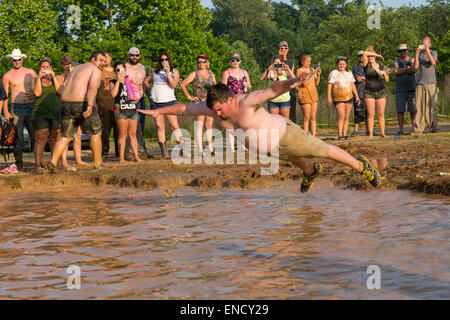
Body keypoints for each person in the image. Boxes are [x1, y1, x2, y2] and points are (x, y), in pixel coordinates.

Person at [138, 79, 381, 194]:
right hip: (271, 150)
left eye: (221, 109)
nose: (218, 114)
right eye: (215, 111)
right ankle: (311, 172)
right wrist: (159, 110)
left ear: (231, 100)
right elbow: (183, 108)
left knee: (325, 151)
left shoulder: (247, 101)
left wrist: (294, 82)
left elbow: (272, 90)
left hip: (286, 136)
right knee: (299, 162)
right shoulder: (212, 107)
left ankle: (362, 167)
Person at [46, 51, 106, 173]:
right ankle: (98, 163)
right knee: (96, 132)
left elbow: (65, 86)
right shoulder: (94, 70)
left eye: (104, 61)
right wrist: (89, 106)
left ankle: (52, 162)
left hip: (66, 104)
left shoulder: (76, 68)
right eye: (101, 60)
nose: (103, 64)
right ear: (93, 60)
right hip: (81, 103)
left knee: (65, 136)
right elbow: (92, 88)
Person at [2, 49, 37, 172]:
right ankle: (19, 164)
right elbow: (4, 95)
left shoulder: (31, 72)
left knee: (35, 136)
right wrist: (5, 112)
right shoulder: (7, 76)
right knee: (18, 137)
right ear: (11, 60)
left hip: (31, 106)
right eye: (14, 60)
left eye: (19, 59)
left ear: (23, 59)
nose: (17, 62)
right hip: (16, 108)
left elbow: (39, 88)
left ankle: (38, 163)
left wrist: (34, 94)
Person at [144, 52, 184, 158]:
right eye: (162, 60)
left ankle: (182, 150)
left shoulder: (174, 71)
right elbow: (146, 81)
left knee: (174, 126)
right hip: (155, 102)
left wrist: (167, 73)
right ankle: (164, 152)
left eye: (166, 59)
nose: (164, 61)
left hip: (169, 102)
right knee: (159, 126)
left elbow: (174, 85)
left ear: (169, 60)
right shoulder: (155, 72)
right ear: (159, 61)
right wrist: (150, 92)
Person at [56, 56, 89, 169]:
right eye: (66, 64)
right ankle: (64, 161)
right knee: (66, 135)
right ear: (62, 65)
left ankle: (78, 160)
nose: (68, 66)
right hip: (65, 109)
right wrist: (69, 76)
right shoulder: (59, 78)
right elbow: (61, 90)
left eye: (70, 64)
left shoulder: (77, 76)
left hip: (77, 108)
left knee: (78, 135)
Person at [180, 54, 216, 156]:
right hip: (199, 102)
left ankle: (210, 148)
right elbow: (183, 84)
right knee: (199, 125)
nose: (201, 64)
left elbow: (215, 86)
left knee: (209, 125)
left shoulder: (211, 73)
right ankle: (200, 149)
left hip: (210, 102)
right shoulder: (194, 74)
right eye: (199, 62)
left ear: (206, 63)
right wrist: (189, 97)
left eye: (203, 61)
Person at [32, 57, 64, 172]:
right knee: (41, 138)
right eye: (43, 67)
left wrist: (54, 77)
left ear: (51, 68)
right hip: (40, 113)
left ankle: (54, 163)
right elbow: (37, 93)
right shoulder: (36, 79)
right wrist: (40, 77)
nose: (45, 69)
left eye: (47, 67)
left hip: (55, 113)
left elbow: (60, 91)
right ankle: (38, 165)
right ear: (39, 68)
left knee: (55, 138)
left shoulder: (56, 79)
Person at [110, 62, 142, 163]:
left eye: (122, 69)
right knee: (122, 134)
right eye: (117, 70)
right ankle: (121, 157)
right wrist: (119, 81)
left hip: (132, 109)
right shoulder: (113, 82)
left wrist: (136, 84)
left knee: (133, 134)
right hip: (121, 111)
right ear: (115, 72)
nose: (120, 72)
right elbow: (113, 94)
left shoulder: (130, 80)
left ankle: (136, 156)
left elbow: (139, 94)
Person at [221, 53, 252, 150]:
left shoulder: (244, 72)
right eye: (233, 60)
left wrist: (247, 85)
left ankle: (242, 145)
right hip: (230, 100)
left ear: (240, 61)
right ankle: (231, 146)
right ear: (230, 61)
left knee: (242, 123)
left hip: (243, 100)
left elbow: (250, 86)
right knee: (230, 123)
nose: (235, 62)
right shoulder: (227, 72)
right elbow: (223, 87)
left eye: (237, 60)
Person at [125, 47, 150, 158]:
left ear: (139, 56)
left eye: (137, 55)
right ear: (128, 55)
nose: (134, 57)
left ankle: (141, 150)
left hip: (141, 99)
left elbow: (145, 84)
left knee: (141, 125)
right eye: (132, 55)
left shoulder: (143, 67)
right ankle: (130, 151)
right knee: (131, 126)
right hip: (129, 99)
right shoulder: (124, 67)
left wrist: (150, 96)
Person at [327, 56, 360, 140]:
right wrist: (329, 96)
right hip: (338, 97)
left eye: (344, 64)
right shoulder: (334, 73)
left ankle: (344, 134)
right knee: (341, 116)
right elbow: (329, 85)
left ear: (346, 65)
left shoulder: (349, 73)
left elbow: (352, 85)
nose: (342, 65)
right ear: (337, 64)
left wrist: (356, 96)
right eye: (340, 64)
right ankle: (340, 134)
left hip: (349, 97)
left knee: (347, 116)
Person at [413, 36, 438, 135]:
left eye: (426, 43)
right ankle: (418, 128)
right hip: (420, 83)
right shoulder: (419, 54)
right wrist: (416, 54)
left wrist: (427, 50)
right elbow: (415, 67)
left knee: (432, 106)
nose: (424, 45)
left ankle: (432, 126)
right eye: (423, 43)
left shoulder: (433, 53)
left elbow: (433, 62)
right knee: (419, 107)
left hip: (431, 83)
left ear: (430, 44)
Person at [362, 46, 389, 138]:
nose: (370, 58)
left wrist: (384, 74)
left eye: (372, 56)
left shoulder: (381, 66)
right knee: (370, 114)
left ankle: (382, 133)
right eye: (369, 56)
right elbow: (364, 53)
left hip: (380, 92)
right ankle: (370, 133)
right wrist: (378, 54)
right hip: (369, 92)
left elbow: (387, 80)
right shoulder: (366, 65)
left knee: (381, 114)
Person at [97, 51, 118, 157]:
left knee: (118, 129)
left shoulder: (116, 71)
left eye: (107, 57)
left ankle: (119, 151)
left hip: (116, 104)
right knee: (105, 129)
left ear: (110, 58)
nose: (105, 59)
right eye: (103, 58)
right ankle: (104, 151)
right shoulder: (99, 71)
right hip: (103, 103)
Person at [260, 55, 295, 119]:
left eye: (279, 63)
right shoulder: (270, 73)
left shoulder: (285, 72)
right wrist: (268, 69)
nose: (277, 64)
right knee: (274, 123)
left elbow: (294, 79)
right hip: (273, 101)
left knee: (285, 122)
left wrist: (288, 69)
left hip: (285, 100)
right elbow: (261, 78)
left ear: (282, 63)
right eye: (275, 63)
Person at [393, 44, 416, 135]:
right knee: (400, 110)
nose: (403, 52)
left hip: (411, 88)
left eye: (404, 51)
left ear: (407, 51)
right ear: (399, 52)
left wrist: (401, 70)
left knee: (413, 110)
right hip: (400, 89)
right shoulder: (396, 61)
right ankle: (401, 129)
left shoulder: (412, 60)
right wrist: (407, 68)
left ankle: (414, 128)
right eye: (401, 51)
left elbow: (413, 70)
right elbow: (396, 72)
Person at [295, 54, 320, 137]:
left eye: (310, 61)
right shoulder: (299, 71)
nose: (309, 63)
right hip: (305, 95)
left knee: (313, 117)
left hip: (314, 95)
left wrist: (318, 75)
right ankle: (305, 137)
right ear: (302, 62)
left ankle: (314, 135)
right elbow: (304, 83)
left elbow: (316, 83)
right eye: (307, 61)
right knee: (306, 117)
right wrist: (313, 74)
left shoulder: (312, 69)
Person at [278, 41, 298, 123]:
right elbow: (277, 74)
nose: (284, 50)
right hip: (280, 90)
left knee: (292, 114)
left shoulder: (290, 62)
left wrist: (298, 90)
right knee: (279, 117)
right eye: (281, 48)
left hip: (290, 90)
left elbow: (292, 77)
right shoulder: (276, 61)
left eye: (285, 48)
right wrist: (280, 61)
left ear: (288, 49)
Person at [352, 51, 368, 136]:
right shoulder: (355, 67)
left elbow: (371, 77)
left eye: (362, 56)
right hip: (358, 92)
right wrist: (367, 77)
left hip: (369, 91)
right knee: (358, 111)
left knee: (368, 112)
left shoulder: (369, 65)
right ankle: (356, 130)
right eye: (359, 56)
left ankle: (368, 130)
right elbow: (358, 79)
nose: (361, 57)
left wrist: (364, 78)